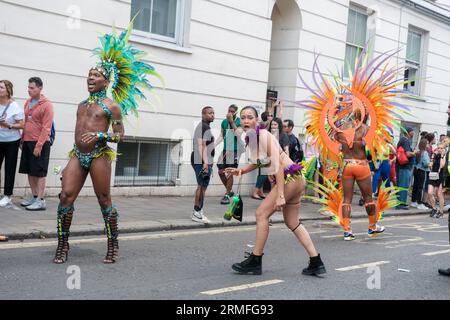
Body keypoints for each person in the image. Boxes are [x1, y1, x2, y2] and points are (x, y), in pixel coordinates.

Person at [53, 23, 159, 264]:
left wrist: (101, 136)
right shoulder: (81, 105)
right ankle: (62, 245)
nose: (91, 78)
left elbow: (120, 136)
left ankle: (113, 246)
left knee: (104, 200)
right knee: (65, 197)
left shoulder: (112, 106)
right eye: (89, 75)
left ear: (106, 81)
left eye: (96, 76)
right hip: (77, 155)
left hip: (100, 155)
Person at [225, 106, 326, 276]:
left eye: (250, 117)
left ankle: (255, 261)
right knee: (292, 222)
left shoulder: (263, 136)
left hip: (289, 179)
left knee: (261, 214)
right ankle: (316, 261)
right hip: (296, 179)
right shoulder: (253, 138)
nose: (246, 120)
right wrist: (241, 171)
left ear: (257, 120)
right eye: (242, 118)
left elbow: (277, 164)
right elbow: (261, 162)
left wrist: (280, 195)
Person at [334, 110, 385, 240]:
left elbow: (334, 141)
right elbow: (373, 148)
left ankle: (347, 231)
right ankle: (372, 227)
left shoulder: (342, 129)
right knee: (368, 198)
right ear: (365, 115)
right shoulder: (366, 129)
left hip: (346, 166)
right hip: (361, 165)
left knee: (347, 200)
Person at [18, 77, 54, 211]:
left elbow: (46, 127)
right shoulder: (28, 102)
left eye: (32, 88)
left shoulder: (47, 104)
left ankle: (41, 200)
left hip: (40, 143)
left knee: (39, 172)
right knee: (30, 170)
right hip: (27, 140)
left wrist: (39, 145)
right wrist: (22, 138)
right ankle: (34, 197)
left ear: (40, 88)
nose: (29, 90)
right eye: (28, 87)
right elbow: (26, 122)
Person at [0, 80, 24, 207]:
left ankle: (7, 196)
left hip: (11, 142)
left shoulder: (14, 106)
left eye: (1, 87)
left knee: (9, 168)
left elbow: (22, 124)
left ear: (8, 91)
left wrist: (8, 125)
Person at [191, 106, 215, 223]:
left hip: (203, 160)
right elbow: (201, 146)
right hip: (200, 160)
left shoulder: (206, 127)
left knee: (203, 186)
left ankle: (199, 211)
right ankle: (197, 212)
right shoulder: (203, 126)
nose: (212, 115)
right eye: (210, 113)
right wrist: (205, 162)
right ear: (203, 114)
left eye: (213, 113)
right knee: (201, 186)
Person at [215, 104, 242, 205]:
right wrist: (213, 145)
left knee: (229, 172)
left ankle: (226, 195)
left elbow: (238, 134)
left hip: (235, 150)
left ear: (235, 112)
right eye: (228, 111)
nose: (229, 113)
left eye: (232, 111)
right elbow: (221, 136)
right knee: (221, 172)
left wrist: (231, 121)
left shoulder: (239, 121)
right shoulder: (224, 122)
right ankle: (229, 191)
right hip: (225, 150)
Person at [396, 127, 418, 210]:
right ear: (409, 132)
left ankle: (401, 203)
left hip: (401, 167)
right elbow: (408, 154)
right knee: (403, 186)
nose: (413, 133)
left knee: (401, 185)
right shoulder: (405, 140)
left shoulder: (402, 140)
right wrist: (415, 152)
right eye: (412, 131)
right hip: (404, 167)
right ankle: (400, 204)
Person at [427, 143, 446, 218]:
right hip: (432, 176)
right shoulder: (435, 156)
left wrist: (441, 156)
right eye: (438, 148)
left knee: (439, 195)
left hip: (439, 177)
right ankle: (434, 208)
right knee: (429, 193)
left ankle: (441, 212)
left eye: (441, 148)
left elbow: (442, 165)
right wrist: (431, 160)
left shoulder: (443, 156)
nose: (439, 149)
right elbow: (430, 164)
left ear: (444, 149)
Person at [411, 139, 430, 210]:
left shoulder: (418, 151)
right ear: (424, 145)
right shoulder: (425, 153)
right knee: (421, 187)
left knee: (415, 186)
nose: (428, 145)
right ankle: (419, 203)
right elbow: (426, 164)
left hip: (416, 170)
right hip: (422, 170)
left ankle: (413, 201)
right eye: (427, 143)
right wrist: (430, 163)